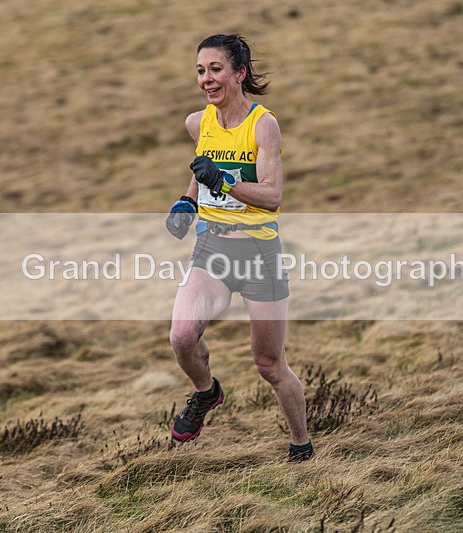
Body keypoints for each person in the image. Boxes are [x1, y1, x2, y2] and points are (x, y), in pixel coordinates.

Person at [164, 34, 313, 462]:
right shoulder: (199, 122)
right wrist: (187, 201)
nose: (206, 79)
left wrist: (224, 182)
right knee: (181, 336)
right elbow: (202, 167)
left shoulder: (263, 124)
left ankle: (301, 445)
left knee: (269, 364)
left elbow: (272, 196)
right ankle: (206, 392)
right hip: (212, 248)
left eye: (215, 70)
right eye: (200, 71)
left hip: (259, 254)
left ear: (239, 73)